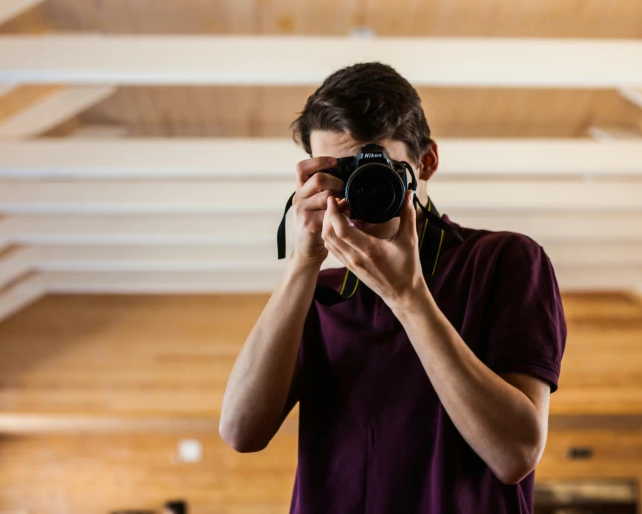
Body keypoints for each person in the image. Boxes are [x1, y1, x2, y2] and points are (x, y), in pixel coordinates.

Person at [219, 62, 566, 514]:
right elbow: (240, 431)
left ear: (426, 163)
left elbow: (515, 453)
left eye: (375, 167)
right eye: (340, 171)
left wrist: (408, 296)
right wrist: (303, 261)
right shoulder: (318, 292)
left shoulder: (503, 260)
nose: (359, 189)